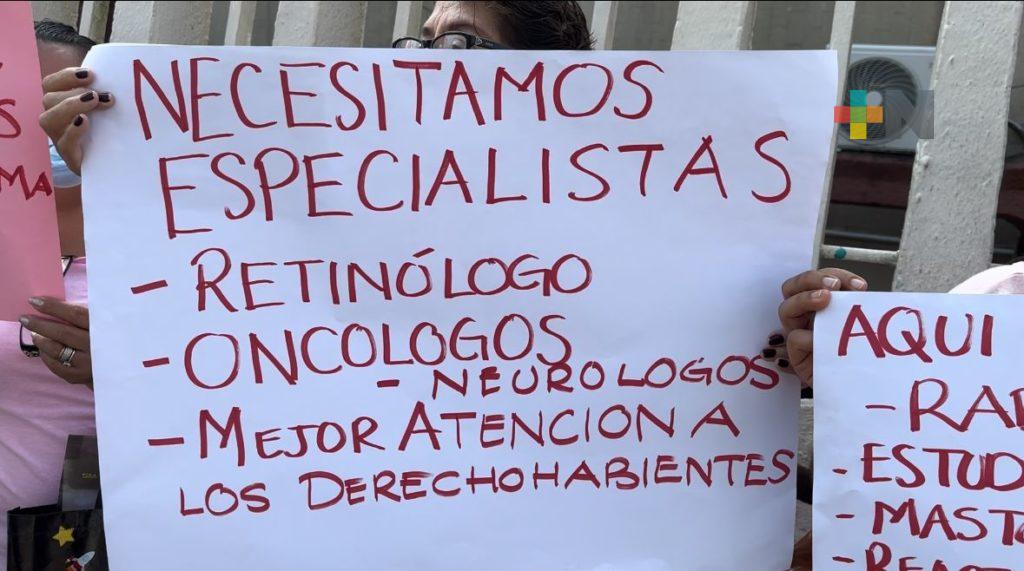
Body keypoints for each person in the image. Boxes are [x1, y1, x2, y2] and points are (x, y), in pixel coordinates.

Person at [0, 20, 101, 564]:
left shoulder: (168, 251)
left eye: (66, 102)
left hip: (102, 547)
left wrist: (116, 373)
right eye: (21, 105)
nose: (47, 123)